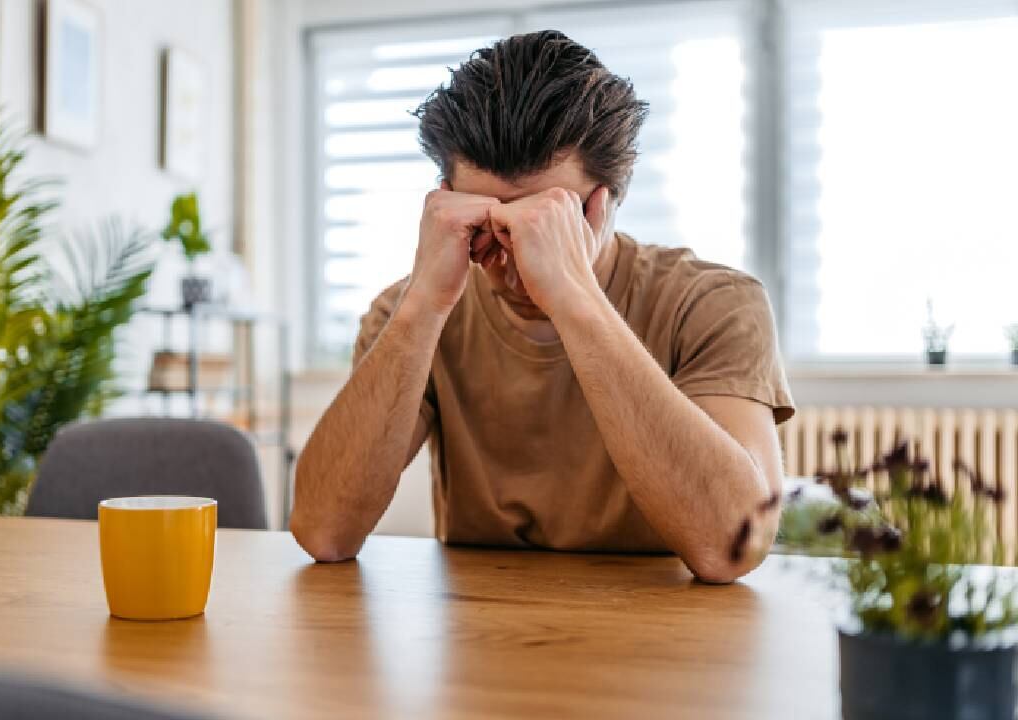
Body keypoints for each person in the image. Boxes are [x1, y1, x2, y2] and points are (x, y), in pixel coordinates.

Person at [290, 30, 794, 583]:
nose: (513, 261)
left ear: (604, 204)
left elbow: (735, 546)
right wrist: (422, 308)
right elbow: (324, 532)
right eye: (488, 224)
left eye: (541, 221)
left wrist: (573, 298)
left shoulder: (714, 304)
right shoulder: (406, 315)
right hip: (484, 638)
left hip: (672, 645)